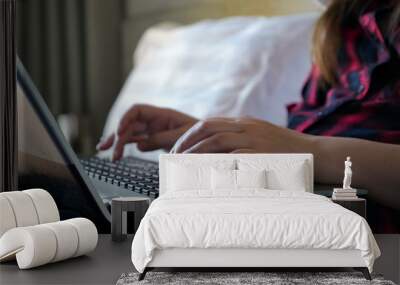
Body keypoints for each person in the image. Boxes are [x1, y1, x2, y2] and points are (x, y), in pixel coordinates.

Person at [98, 0, 400, 233]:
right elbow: (296, 142)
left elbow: (304, 147)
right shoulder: (337, 33)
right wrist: (215, 136)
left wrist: (304, 150)